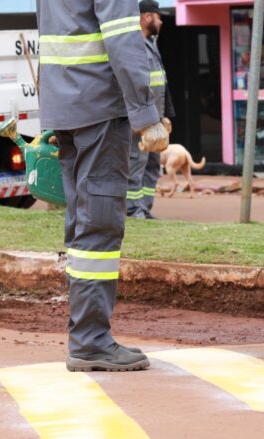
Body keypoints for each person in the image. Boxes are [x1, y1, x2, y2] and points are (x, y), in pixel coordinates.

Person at [36, 0, 169, 371]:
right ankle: (91, 341)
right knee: (99, 223)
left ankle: (87, 336)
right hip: (99, 109)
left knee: (82, 223)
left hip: (66, 108)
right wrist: (146, 116)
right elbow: (122, 39)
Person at [127, 0, 176, 220]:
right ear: (147, 17)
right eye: (158, 16)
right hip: (141, 120)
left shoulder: (151, 43)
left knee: (152, 164)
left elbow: (159, 85)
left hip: (155, 118)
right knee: (136, 162)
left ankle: (145, 207)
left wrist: (163, 116)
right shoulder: (133, 44)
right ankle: (132, 209)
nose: (161, 20)